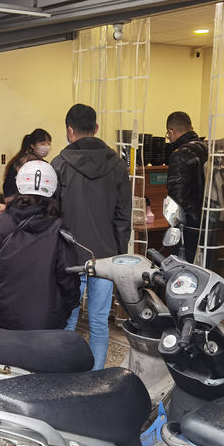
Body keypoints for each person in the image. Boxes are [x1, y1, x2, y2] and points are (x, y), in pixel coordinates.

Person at [51, 104, 132, 371]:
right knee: (99, 322)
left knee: (68, 321)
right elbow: (123, 218)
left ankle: (65, 374)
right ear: (96, 129)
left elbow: (51, 216)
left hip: (69, 257)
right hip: (106, 258)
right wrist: (119, 258)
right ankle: (96, 378)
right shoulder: (118, 165)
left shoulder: (59, 164)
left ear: (69, 131)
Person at [0, 160, 80, 330]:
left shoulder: (0, 223)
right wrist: (68, 306)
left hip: (5, 315)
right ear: (52, 188)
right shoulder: (57, 228)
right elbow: (68, 274)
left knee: (6, 356)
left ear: (19, 184)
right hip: (47, 319)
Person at [165, 111, 208, 263]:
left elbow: (177, 196)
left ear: (171, 131)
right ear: (191, 128)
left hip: (190, 228)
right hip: (210, 222)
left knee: (183, 271)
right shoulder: (207, 148)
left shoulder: (180, 154)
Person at [2, 129, 52, 199]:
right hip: (20, 204)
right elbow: (8, 186)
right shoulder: (20, 163)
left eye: (49, 144)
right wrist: (9, 202)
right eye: (43, 144)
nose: (47, 147)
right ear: (32, 145)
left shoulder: (46, 165)